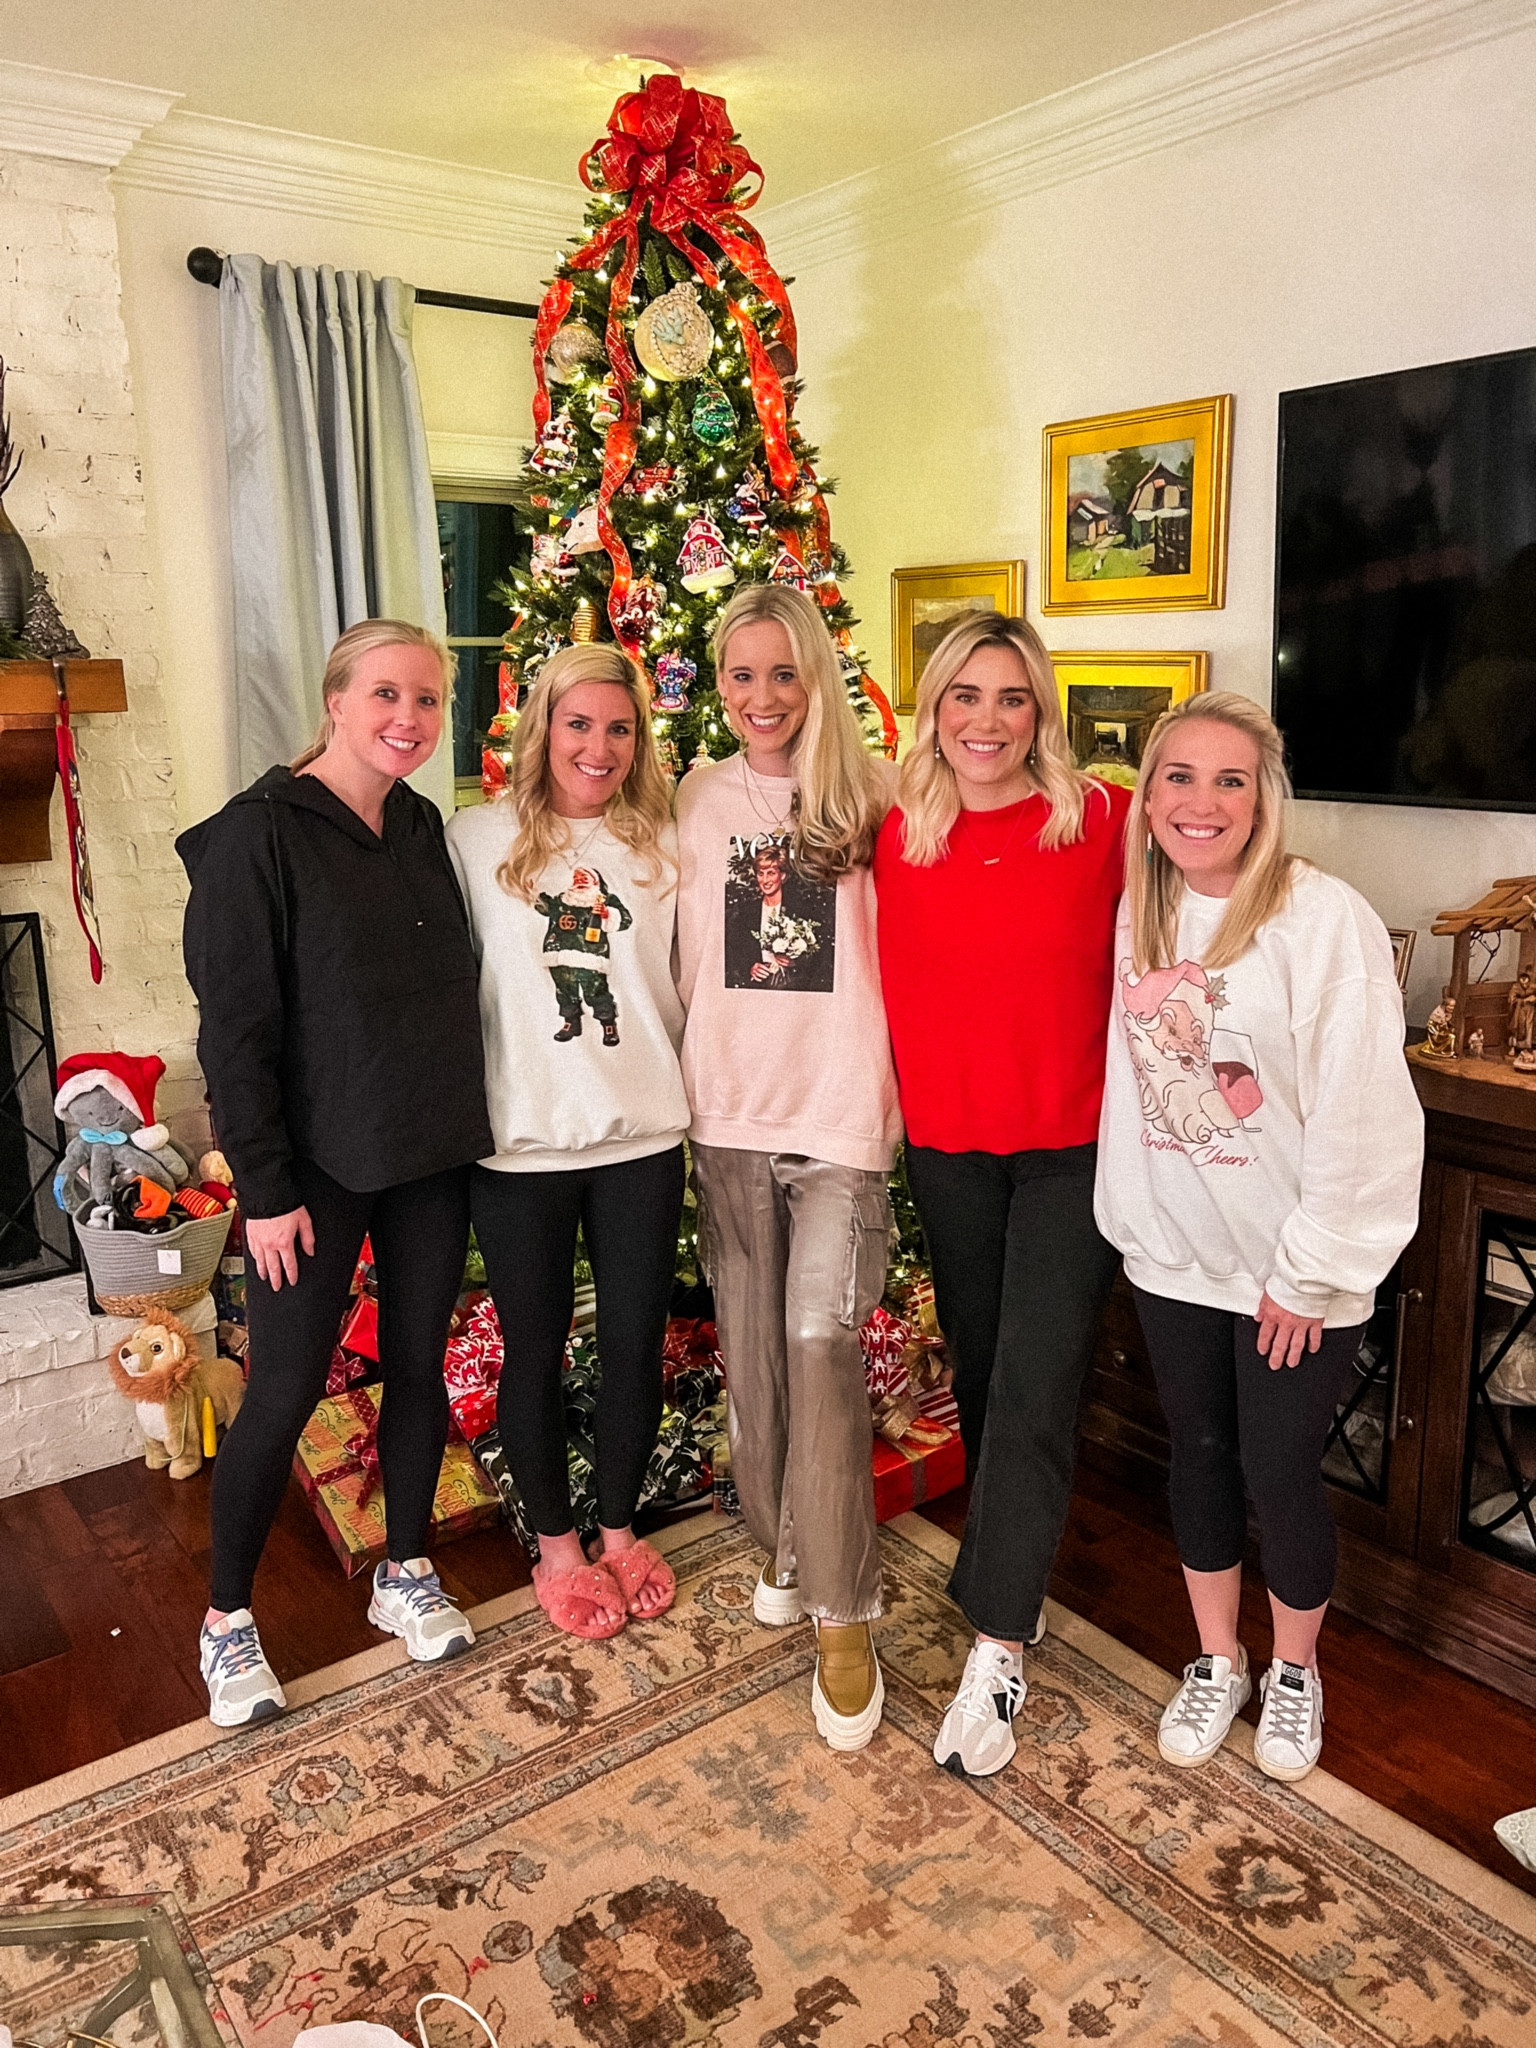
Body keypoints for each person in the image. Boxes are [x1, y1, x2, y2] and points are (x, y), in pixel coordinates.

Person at [1096, 691, 1423, 1780]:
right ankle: (1216, 1655)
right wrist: (1137, 1227)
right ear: (1147, 801)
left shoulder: (1320, 920)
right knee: (1196, 1454)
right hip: (1176, 1256)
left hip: (1291, 1271)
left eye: (1230, 778)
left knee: (1280, 1468)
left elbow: (1365, 1109)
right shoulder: (1138, 912)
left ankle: (1293, 1669)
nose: (1202, 800)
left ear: (1263, 798)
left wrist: (1311, 1270)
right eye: (1178, 777)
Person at [179, 620, 494, 1728]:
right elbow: (236, 1035)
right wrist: (262, 1188)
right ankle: (226, 1621)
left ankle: (403, 1571)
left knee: (416, 1366)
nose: (407, 718)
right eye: (385, 695)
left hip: (429, 1152)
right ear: (335, 701)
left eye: (426, 699)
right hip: (310, 1175)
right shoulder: (255, 836)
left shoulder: (420, 827)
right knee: (282, 1390)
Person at [873, 611, 1130, 1779]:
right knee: (981, 1374)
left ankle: (996, 1643)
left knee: (1033, 1380)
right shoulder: (891, 830)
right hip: (950, 1148)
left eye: (1012, 697)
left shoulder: (1105, 821)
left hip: (1075, 1149)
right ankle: (1006, 1570)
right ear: (934, 709)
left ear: (1043, 713)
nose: (986, 719)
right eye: (965, 696)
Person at [676, 582, 900, 1752]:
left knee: (818, 1345)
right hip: (727, 1117)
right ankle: (786, 1540)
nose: (762, 697)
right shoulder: (694, 800)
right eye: (739, 675)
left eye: (783, 672)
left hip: (840, 1121)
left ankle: (845, 1614)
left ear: (817, 675)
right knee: (755, 1368)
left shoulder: (875, 798)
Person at [447, 645, 688, 1639]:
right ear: (542, 724)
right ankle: (555, 1542)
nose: (598, 745)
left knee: (637, 1343)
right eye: (578, 723)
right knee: (534, 1348)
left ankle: (622, 1528)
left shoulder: (664, 843)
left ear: (640, 739)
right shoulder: (473, 839)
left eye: (619, 727)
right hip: (521, 1144)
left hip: (642, 1133)